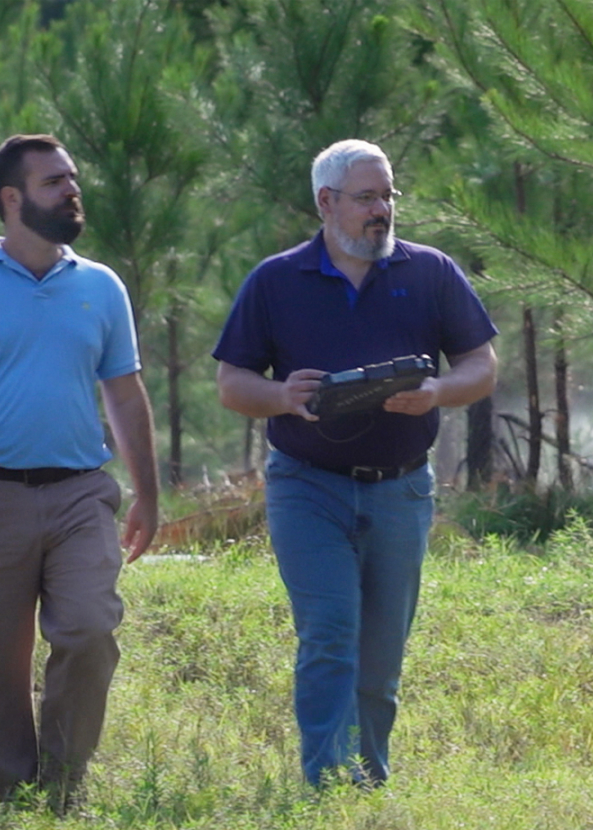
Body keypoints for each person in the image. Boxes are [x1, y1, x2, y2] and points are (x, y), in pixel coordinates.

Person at [213, 139, 498, 787]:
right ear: (326, 202)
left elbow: (481, 367)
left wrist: (435, 392)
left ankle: (369, 778)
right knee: (330, 632)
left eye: (389, 195)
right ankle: (326, 782)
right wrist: (283, 396)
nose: (383, 209)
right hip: (306, 487)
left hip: (401, 490)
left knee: (380, 653)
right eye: (367, 197)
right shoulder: (276, 280)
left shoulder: (431, 272)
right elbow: (232, 383)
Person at [0, 133, 158, 810]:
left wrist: (149, 497)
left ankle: (63, 788)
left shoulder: (101, 286)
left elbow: (126, 395)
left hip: (80, 494)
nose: (72, 191)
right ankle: (8, 799)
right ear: (12, 199)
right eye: (54, 183)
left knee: (88, 631)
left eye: (72, 179)